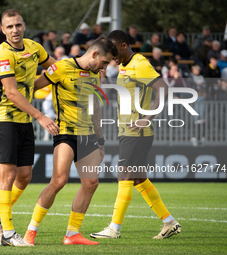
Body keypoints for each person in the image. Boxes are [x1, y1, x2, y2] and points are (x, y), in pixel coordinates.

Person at [23, 36, 117, 246]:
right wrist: (40, 117)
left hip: (89, 135)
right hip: (65, 132)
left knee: (91, 183)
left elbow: (96, 107)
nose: (103, 68)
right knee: (58, 181)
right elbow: (31, 89)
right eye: (103, 62)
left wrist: (101, 140)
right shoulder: (61, 68)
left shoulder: (95, 75)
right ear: (94, 54)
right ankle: (31, 231)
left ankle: (72, 234)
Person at [90, 30, 181, 240]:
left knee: (124, 175)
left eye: (114, 49)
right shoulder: (123, 66)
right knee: (139, 179)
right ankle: (169, 222)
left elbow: (164, 89)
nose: (112, 54)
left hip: (137, 132)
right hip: (127, 130)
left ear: (123, 45)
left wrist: (146, 118)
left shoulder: (140, 63)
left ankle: (114, 229)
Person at [0, 9, 58, 247]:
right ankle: (7, 233)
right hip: (4, 119)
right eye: (9, 27)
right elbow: (12, 92)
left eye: (18, 25)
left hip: (25, 120)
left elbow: (54, 68)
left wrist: (80, 70)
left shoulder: (34, 48)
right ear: (2, 30)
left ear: (24, 26)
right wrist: (41, 116)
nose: (14, 30)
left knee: (24, 177)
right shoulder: (2, 54)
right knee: (6, 176)